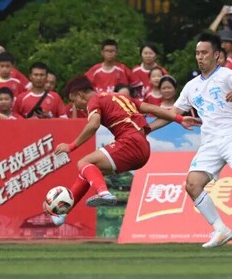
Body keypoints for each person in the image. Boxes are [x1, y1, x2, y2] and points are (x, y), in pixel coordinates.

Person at [149, 32, 232, 247]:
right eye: (197, 53)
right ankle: (221, 229)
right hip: (210, 141)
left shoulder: (228, 75)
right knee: (192, 184)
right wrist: (148, 128)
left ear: (216, 55)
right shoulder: (191, 86)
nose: (200, 57)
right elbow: (173, 113)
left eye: (204, 53)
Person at [49, 75, 200, 226]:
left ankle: (104, 193)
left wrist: (71, 146)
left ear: (80, 94)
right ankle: (63, 212)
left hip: (129, 143)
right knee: (89, 172)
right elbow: (152, 109)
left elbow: (93, 124)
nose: (75, 106)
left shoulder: (94, 101)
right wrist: (178, 119)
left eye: (74, 101)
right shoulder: (120, 97)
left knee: (83, 162)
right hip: (143, 149)